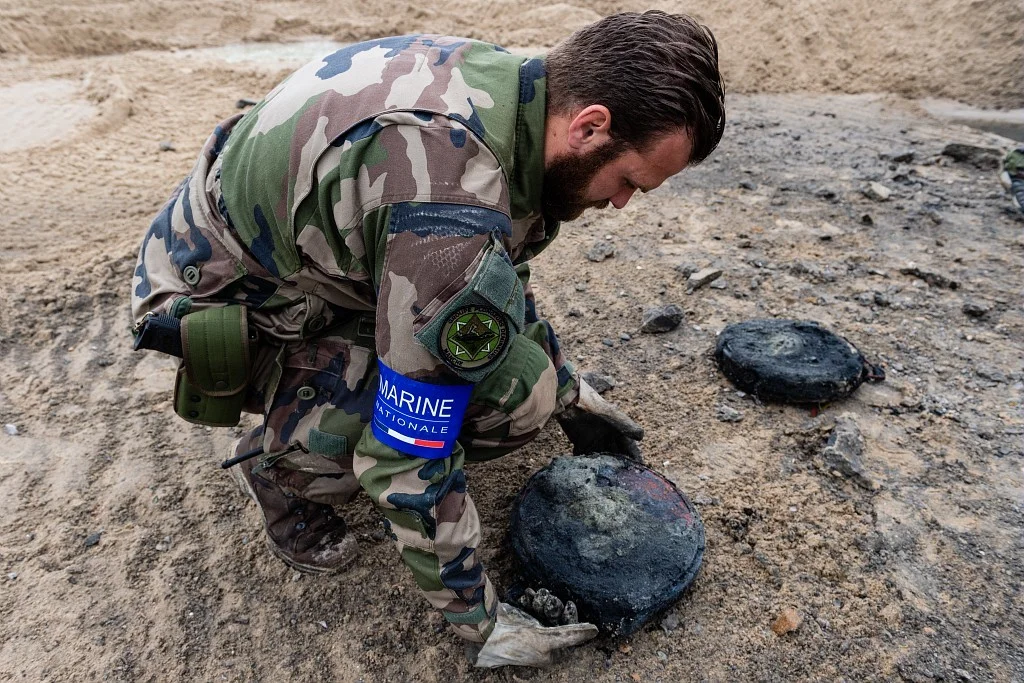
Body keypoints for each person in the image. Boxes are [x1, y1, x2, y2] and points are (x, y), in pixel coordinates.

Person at [130, 10, 725, 668]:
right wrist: (483, 621)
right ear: (589, 126)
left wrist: (570, 390)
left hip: (293, 241)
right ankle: (283, 469)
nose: (621, 204)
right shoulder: (447, 200)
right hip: (227, 291)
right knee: (500, 399)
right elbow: (407, 452)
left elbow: (496, 270)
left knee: (526, 377)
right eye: (630, 182)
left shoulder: (516, 95)